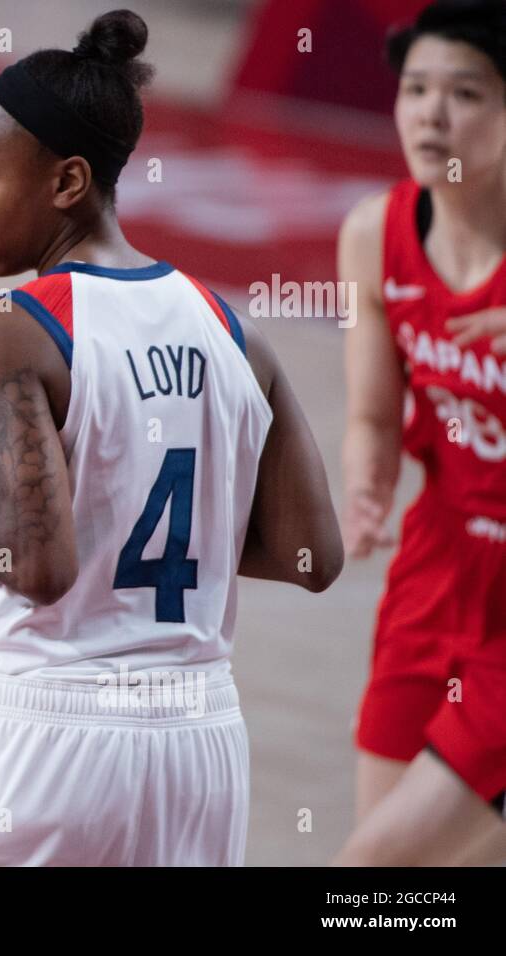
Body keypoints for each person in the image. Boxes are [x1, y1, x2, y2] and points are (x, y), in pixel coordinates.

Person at [0, 9, 341, 866]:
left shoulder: (4, 331)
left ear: (67, 181)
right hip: (199, 747)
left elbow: (38, 570)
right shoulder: (232, 329)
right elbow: (312, 555)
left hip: (40, 740)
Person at [336, 0, 506, 866]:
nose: (432, 113)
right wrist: (367, 484)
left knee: (371, 879)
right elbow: (373, 413)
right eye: (415, 88)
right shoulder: (376, 233)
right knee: (417, 888)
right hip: (430, 582)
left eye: (465, 92)